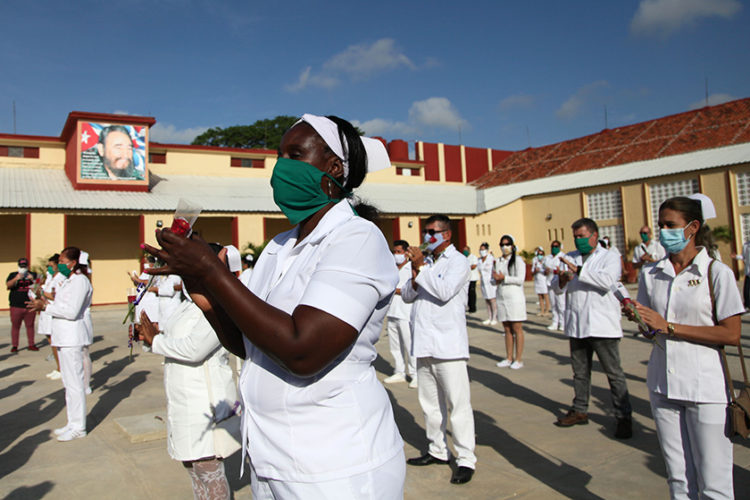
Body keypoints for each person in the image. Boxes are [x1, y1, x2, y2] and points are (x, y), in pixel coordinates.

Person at [143, 113, 405, 499]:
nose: (281, 167)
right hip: (272, 459)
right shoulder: (278, 247)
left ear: (334, 168)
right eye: (279, 155)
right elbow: (250, 344)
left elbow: (303, 351)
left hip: (335, 465)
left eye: (295, 155)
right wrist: (206, 296)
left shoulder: (357, 239)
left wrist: (213, 272)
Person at [631, 195, 743, 499]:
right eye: (661, 225)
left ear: (692, 227)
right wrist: (641, 320)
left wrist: (669, 326)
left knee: (714, 482)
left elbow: (731, 334)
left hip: (705, 388)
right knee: (678, 479)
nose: (663, 231)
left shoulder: (716, 273)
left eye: (671, 225)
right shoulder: (651, 273)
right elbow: (651, 331)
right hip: (663, 385)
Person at [138, 243, 240, 500]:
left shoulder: (218, 304)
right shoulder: (187, 304)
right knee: (192, 467)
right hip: (183, 399)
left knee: (208, 468)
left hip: (203, 400)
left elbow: (195, 349)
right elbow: (172, 338)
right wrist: (151, 336)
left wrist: (156, 341)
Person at [402, 214, 476, 485]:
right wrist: (415, 273)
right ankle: (437, 449)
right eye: (426, 231)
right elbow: (407, 295)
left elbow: (444, 291)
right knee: (430, 404)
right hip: (424, 343)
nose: (427, 236)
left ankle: (466, 458)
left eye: (432, 232)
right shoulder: (426, 262)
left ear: (447, 234)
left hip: (448, 345)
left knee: (458, 404)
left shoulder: (458, 262)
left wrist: (421, 267)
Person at [554, 218, 633, 439]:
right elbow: (557, 289)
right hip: (577, 324)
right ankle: (580, 409)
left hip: (602, 325)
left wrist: (578, 271)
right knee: (580, 372)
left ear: (594, 235)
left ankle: (623, 416)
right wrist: (562, 280)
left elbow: (607, 281)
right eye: (575, 237)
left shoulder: (609, 257)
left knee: (614, 374)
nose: (578, 240)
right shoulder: (569, 257)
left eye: (581, 236)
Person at [27, 247, 93, 441]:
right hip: (63, 337)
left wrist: (46, 307)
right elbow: (60, 304)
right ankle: (72, 423)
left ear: (73, 263)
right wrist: (45, 304)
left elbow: (71, 312)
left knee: (75, 384)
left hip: (72, 338)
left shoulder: (80, 281)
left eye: (63, 262)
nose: (60, 265)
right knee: (68, 383)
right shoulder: (68, 281)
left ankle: (79, 427)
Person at [384, 239, 417, 388]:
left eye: (399, 252)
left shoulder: (411, 268)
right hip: (392, 311)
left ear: (405, 253)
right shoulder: (391, 268)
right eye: (394, 252)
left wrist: (394, 290)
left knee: (409, 344)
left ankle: (415, 373)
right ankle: (399, 371)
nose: (396, 254)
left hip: (405, 312)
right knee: (395, 345)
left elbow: (410, 289)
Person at [492, 235, 527, 370]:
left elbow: (520, 279)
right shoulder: (498, 261)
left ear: (512, 246)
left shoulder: (518, 261)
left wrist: (504, 278)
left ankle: (518, 358)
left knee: (516, 328)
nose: (504, 247)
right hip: (502, 297)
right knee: (506, 328)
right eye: (502, 245)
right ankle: (509, 357)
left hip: (514, 297)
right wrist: (495, 279)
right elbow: (493, 279)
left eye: (507, 244)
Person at [39, 254, 65, 379]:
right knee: (51, 341)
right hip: (46, 311)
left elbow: (57, 296)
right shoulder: (51, 277)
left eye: (51, 265)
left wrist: (43, 293)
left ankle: (61, 368)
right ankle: (58, 366)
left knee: (55, 341)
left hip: (53, 310)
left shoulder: (61, 277)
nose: (49, 268)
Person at [6, 257, 38, 352]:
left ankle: (31, 344)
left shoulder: (33, 274)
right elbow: (8, 285)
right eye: (21, 266)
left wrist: (33, 279)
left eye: (24, 266)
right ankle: (15, 345)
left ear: (27, 266)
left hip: (30, 304)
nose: (23, 268)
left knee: (30, 325)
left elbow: (39, 288)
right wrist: (16, 278)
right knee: (15, 326)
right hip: (16, 305)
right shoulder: (13, 274)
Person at [545, 241, 567, 332]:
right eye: (552, 246)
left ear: (560, 247)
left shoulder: (563, 257)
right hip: (550, 283)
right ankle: (555, 322)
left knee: (561, 304)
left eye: (556, 246)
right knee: (553, 304)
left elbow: (564, 270)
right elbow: (544, 269)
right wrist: (546, 271)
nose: (554, 248)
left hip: (559, 284)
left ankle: (563, 323)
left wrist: (557, 271)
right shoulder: (548, 258)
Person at [477, 242, 498, 325]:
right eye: (480, 249)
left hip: (490, 282)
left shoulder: (491, 259)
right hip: (483, 282)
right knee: (487, 300)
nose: (481, 251)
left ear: (487, 250)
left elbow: (495, 269)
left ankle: (494, 318)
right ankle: (489, 317)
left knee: (492, 300)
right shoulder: (479, 260)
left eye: (483, 249)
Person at [731, 238, 750, 310]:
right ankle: (747, 305)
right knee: (746, 290)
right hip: (748, 272)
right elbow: (743, 256)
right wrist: (736, 257)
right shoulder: (746, 245)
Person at [531, 246, 550, 316]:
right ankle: (542, 310)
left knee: (545, 295)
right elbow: (532, 272)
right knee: (540, 296)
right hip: (537, 280)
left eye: (541, 254)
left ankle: (547, 310)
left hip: (544, 280)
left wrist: (545, 270)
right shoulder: (535, 261)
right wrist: (535, 271)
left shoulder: (545, 260)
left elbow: (547, 271)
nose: (540, 256)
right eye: (539, 254)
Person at [464, 246, 479, 313]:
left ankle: (473, 308)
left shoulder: (473, 257)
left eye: (466, 250)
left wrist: (466, 268)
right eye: (464, 250)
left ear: (469, 250)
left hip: (473, 278)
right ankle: (469, 307)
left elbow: (474, 266)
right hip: (467, 279)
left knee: (472, 293)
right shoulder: (464, 258)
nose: (465, 252)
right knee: (468, 293)